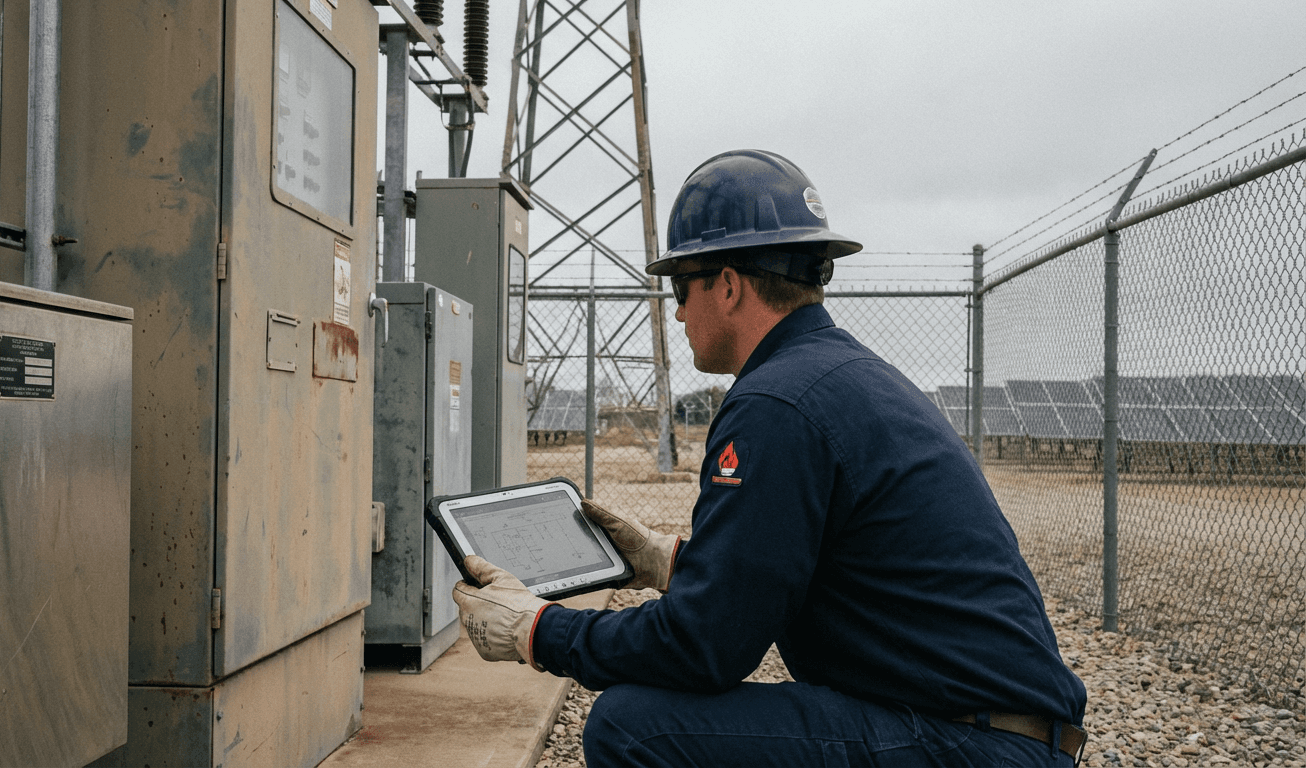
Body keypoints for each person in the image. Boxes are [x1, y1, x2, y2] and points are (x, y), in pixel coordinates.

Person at [453, 149, 1088, 767]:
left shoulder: (775, 404)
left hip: (968, 744)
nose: (675, 312)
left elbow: (703, 648)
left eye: (681, 287)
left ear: (727, 286)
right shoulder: (845, 375)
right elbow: (796, 575)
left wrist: (537, 631)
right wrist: (668, 561)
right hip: (1006, 732)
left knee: (633, 727)